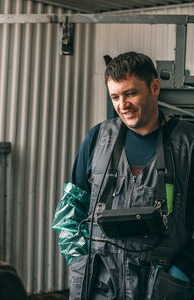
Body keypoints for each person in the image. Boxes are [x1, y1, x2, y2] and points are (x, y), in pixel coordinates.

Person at [53, 52, 194, 299]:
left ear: (155, 87)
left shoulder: (188, 144)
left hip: (161, 286)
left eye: (131, 93)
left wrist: (182, 270)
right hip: (98, 285)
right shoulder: (98, 138)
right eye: (115, 96)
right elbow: (71, 209)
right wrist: (79, 259)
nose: (122, 105)